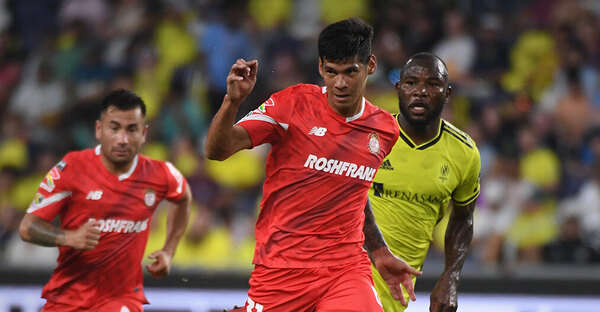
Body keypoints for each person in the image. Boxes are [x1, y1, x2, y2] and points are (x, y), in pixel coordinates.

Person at [206, 18, 421, 312]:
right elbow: (217, 150)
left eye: (350, 72)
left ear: (370, 65)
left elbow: (354, 193)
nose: (340, 83)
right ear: (321, 67)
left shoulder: (385, 130)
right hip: (281, 272)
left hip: (345, 271)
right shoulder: (291, 105)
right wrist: (232, 102)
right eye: (331, 72)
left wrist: (379, 251)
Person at [18, 89, 192, 312]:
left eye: (132, 129)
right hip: (66, 300)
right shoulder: (72, 168)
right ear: (99, 130)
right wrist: (69, 237)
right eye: (115, 128)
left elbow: (184, 198)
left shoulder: (161, 174)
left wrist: (169, 250)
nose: (123, 139)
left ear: (144, 133)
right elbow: (27, 227)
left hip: (122, 299)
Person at [368, 52, 481, 312]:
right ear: (398, 89)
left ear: (447, 93)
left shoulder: (463, 152)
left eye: (432, 84)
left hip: (396, 287)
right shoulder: (369, 136)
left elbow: (464, 219)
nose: (420, 91)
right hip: (348, 272)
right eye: (411, 82)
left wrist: (450, 279)